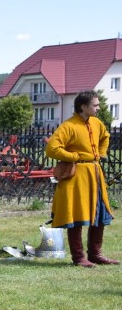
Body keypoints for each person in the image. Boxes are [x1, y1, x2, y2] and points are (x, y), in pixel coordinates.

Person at [45, 90, 117, 266]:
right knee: (75, 215)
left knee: (99, 214)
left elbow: (105, 137)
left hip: (95, 174)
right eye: (95, 105)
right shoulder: (69, 126)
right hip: (76, 176)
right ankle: (79, 258)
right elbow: (52, 149)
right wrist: (73, 157)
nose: (98, 108)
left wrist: (101, 153)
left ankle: (95, 254)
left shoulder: (96, 123)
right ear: (83, 107)